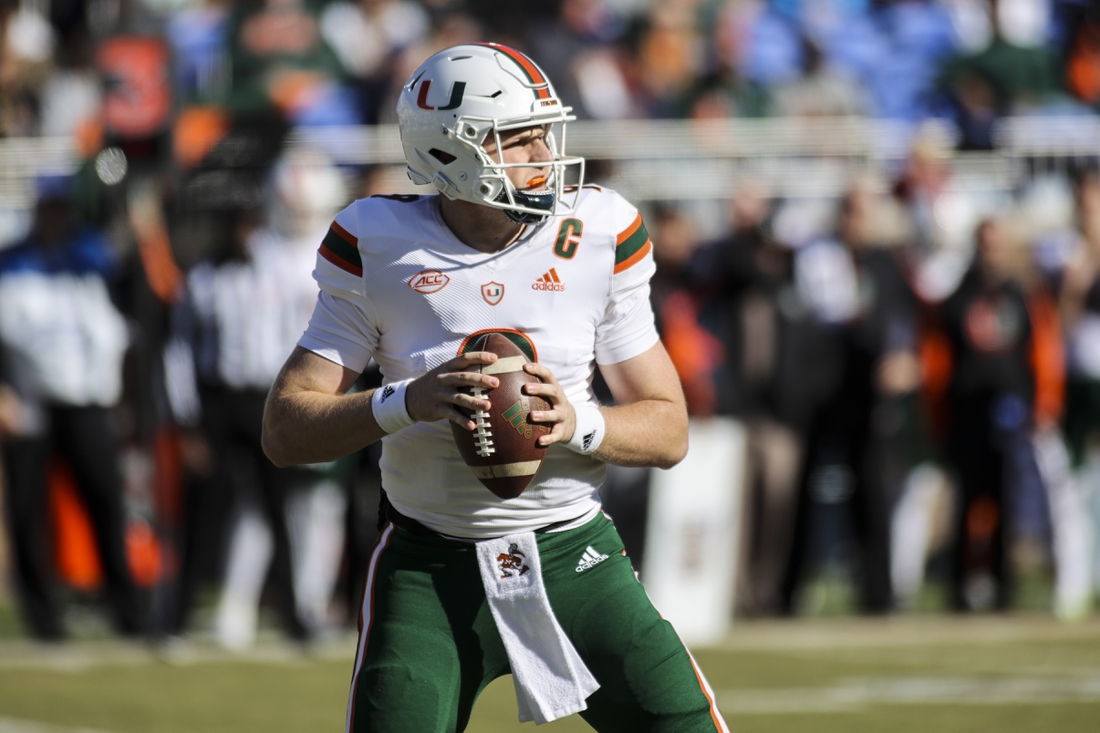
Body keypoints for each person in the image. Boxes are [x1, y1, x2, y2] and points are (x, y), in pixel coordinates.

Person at [261, 43, 728, 732]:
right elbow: (285, 429)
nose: (544, 152)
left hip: (577, 556)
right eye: (517, 138)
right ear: (451, 151)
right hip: (428, 570)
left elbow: (670, 428)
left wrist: (578, 422)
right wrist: (405, 402)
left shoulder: (597, 232)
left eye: (544, 132)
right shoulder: (378, 243)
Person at [0, 178, 145, 641]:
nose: (56, 217)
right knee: (29, 512)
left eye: (63, 208)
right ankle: (44, 621)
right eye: (49, 208)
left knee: (107, 503)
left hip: (87, 401)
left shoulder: (93, 255)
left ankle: (128, 612)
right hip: (31, 402)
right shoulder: (12, 262)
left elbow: (124, 318)